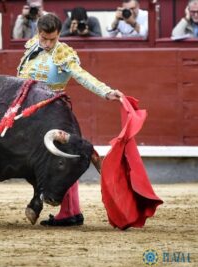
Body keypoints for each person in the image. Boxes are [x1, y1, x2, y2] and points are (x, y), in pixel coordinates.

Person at [17, 13, 124, 226]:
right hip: (30, 113)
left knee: (62, 159)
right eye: (44, 38)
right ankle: (71, 211)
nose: (47, 44)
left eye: (52, 39)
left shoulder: (63, 53)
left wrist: (106, 92)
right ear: (38, 32)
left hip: (53, 113)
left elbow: (82, 76)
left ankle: (68, 212)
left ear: (58, 35)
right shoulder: (31, 46)